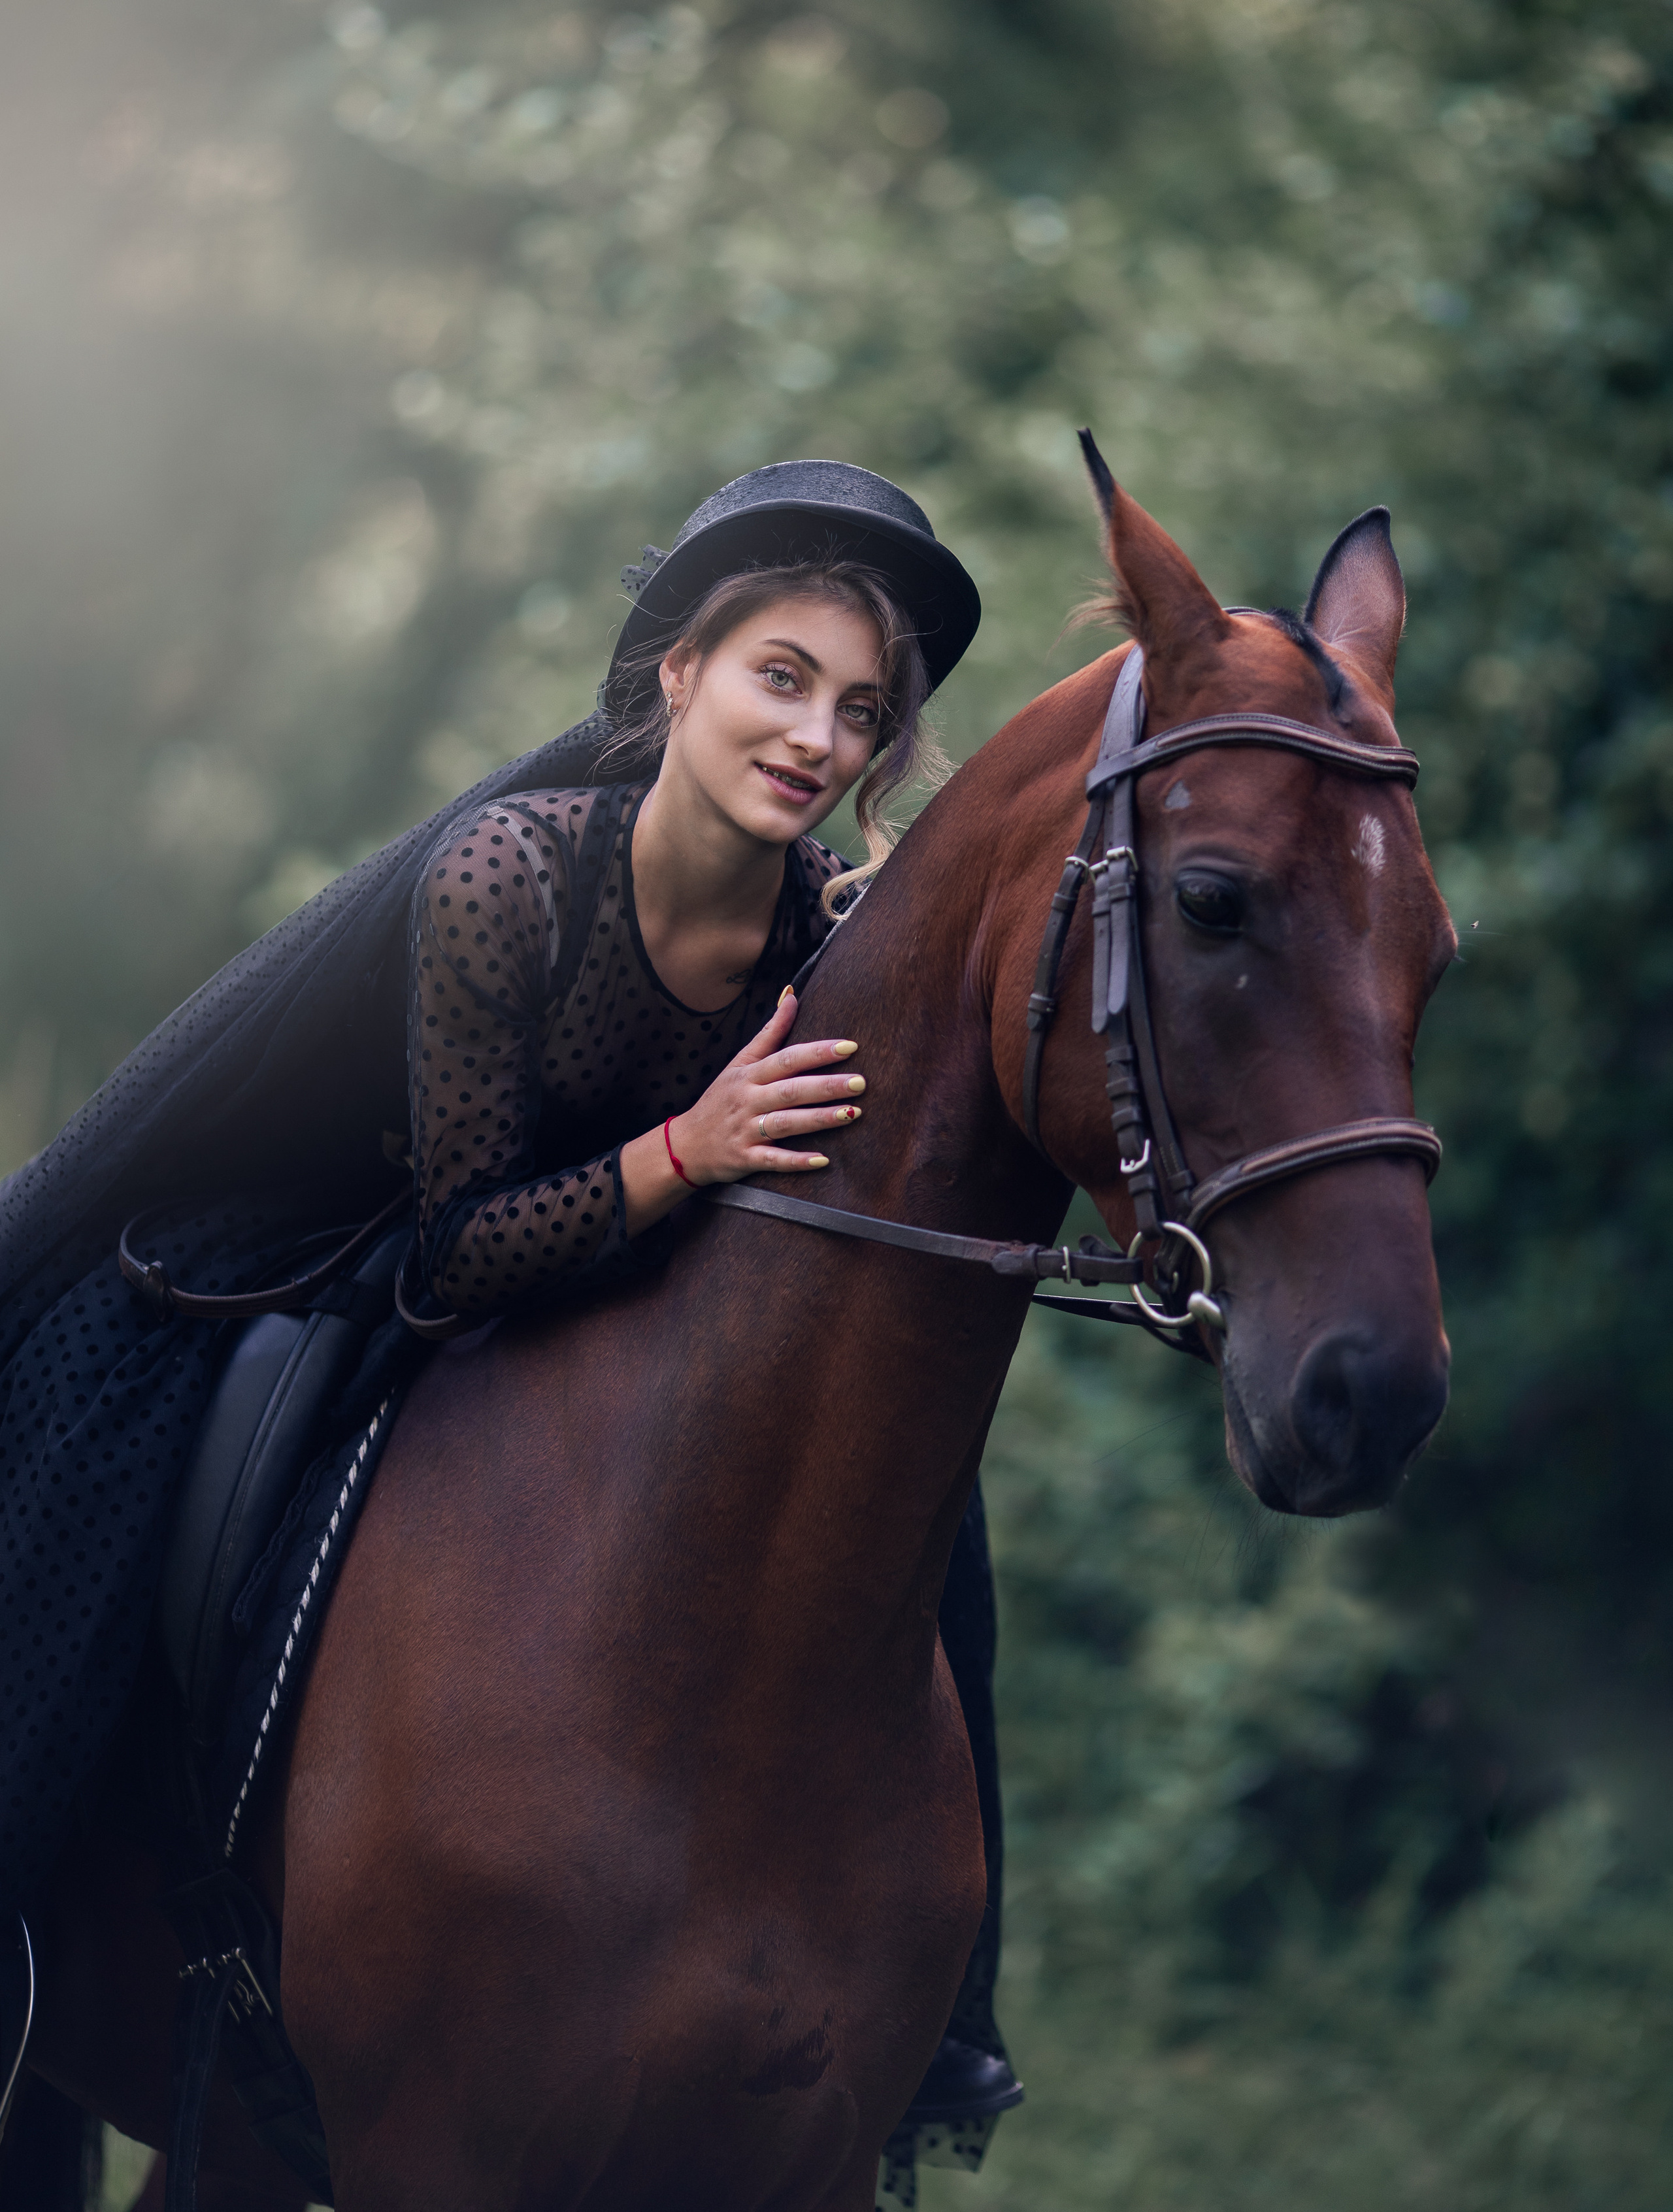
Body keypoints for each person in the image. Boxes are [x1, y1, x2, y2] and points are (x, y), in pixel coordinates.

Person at [0, 461, 1019, 2133]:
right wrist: (685, 1152)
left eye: (856, 713)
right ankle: (41, 1911)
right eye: (781, 678)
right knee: (104, 1486)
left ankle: (946, 2008)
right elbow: (447, 1253)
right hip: (349, 1235)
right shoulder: (508, 879)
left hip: (632, 1272)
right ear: (678, 673)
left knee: (920, 1495)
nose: (816, 741)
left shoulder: (821, 926)